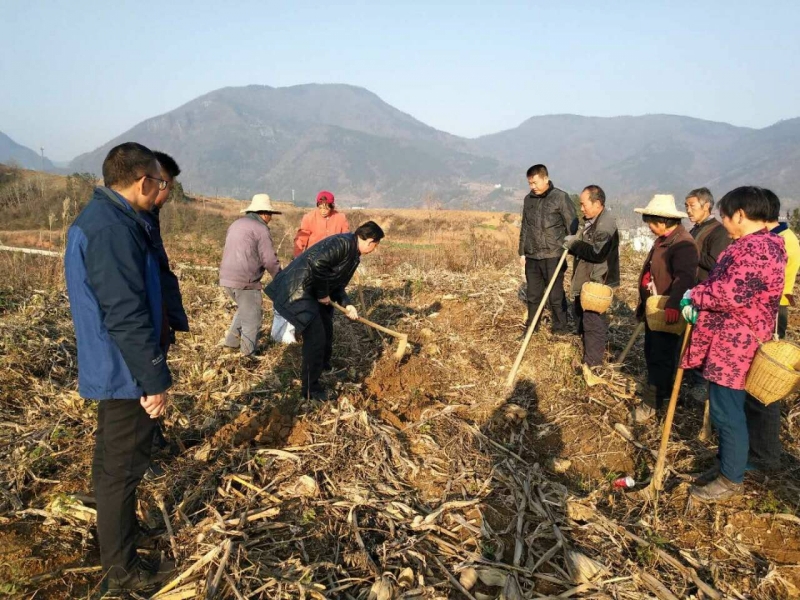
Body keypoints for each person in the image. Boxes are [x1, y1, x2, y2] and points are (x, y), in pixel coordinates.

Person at [64, 142, 174, 594]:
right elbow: (125, 313)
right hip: (124, 367)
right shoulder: (112, 228)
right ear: (144, 181)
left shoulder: (113, 219)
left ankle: (117, 537)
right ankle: (121, 572)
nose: (162, 192)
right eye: (161, 183)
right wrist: (153, 380)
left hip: (116, 363)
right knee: (123, 469)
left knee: (112, 462)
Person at [680, 186, 786, 502]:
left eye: (725, 216)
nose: (724, 222)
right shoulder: (753, 245)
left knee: (727, 412)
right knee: (726, 409)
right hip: (729, 340)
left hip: (737, 345)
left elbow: (730, 293)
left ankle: (731, 478)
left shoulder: (759, 250)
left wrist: (694, 295)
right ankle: (727, 464)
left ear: (740, 215)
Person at [265, 221, 384, 400]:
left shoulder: (353, 252)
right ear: (368, 241)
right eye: (376, 244)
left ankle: (324, 367)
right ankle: (310, 389)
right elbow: (318, 264)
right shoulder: (343, 244)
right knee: (316, 338)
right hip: (298, 291)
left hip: (311, 291)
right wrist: (322, 294)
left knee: (327, 327)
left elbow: (337, 284)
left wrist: (347, 304)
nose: (375, 248)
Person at [743, 188, 799, 472]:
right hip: (768, 312)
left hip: (773, 313)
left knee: (764, 385)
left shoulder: (781, 242)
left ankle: (765, 454)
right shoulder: (776, 239)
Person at [139, 152, 188, 477]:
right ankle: (140, 456)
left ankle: (152, 440)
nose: (168, 193)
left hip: (157, 318)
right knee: (142, 392)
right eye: (166, 184)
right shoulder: (127, 224)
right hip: (143, 325)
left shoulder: (147, 219)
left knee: (147, 392)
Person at [631, 194, 698, 423]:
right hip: (655, 308)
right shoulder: (663, 239)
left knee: (661, 356)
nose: (649, 227)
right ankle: (661, 393)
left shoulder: (683, 244)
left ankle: (652, 403)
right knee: (652, 352)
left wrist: (673, 304)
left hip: (667, 312)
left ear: (662, 221)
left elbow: (685, 277)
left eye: (650, 222)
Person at [563, 185, 620, 366]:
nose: (581, 208)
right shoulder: (590, 220)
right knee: (579, 315)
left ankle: (592, 364)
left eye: (583, 204)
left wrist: (574, 245)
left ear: (597, 203)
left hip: (598, 281)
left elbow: (597, 253)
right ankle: (584, 351)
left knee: (592, 321)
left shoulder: (606, 224)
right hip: (585, 277)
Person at [219, 194, 282, 355]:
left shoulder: (236, 224)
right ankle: (247, 354)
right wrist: (281, 278)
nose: (271, 219)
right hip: (245, 280)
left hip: (226, 278)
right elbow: (269, 259)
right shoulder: (261, 229)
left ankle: (231, 343)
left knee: (244, 309)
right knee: (252, 318)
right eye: (270, 215)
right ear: (265, 213)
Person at [518, 164, 578, 335]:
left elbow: (572, 226)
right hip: (533, 255)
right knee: (533, 294)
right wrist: (522, 251)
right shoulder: (528, 199)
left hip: (554, 254)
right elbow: (525, 226)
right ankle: (532, 328)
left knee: (555, 295)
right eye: (529, 183)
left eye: (535, 183)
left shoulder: (560, 197)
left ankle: (560, 328)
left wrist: (570, 247)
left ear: (545, 178)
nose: (532, 187)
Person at [685, 188, 730, 282]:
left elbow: (715, 262)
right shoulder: (695, 229)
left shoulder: (720, 231)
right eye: (686, 206)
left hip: (705, 286)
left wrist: (690, 253)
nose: (688, 210)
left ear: (706, 206)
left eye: (692, 206)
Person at [293, 190, 350, 256]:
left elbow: (346, 239)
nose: (323, 211)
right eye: (320, 208)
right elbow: (301, 239)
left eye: (326, 208)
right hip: (314, 256)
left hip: (334, 256)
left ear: (331, 207)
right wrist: (297, 256)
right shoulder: (309, 218)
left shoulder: (341, 218)